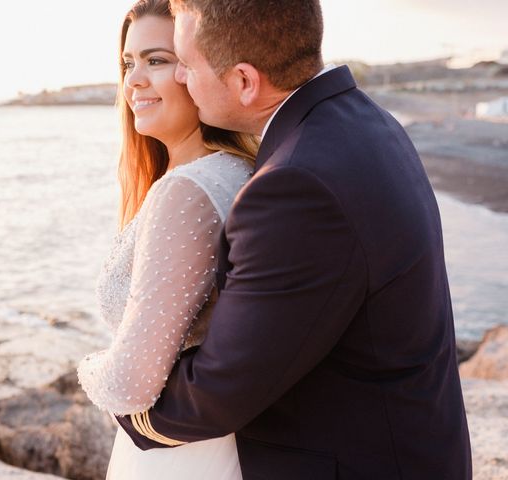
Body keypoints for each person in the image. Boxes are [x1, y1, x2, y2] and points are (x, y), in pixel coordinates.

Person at [113, 1, 474, 479]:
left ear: (244, 81)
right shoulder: (364, 122)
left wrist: (124, 402)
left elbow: (221, 389)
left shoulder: (296, 184)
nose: (180, 78)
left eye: (186, 65)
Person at [76, 0, 258, 478]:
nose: (134, 80)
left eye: (156, 60)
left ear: (199, 70)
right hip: (205, 445)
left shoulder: (188, 190)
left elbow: (130, 384)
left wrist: (92, 364)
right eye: (128, 63)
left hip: (179, 457)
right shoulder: (239, 173)